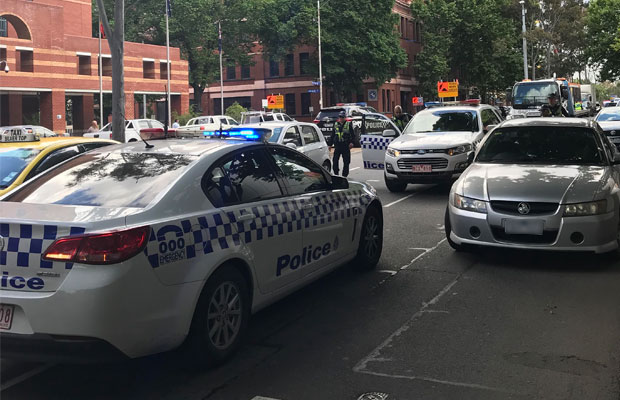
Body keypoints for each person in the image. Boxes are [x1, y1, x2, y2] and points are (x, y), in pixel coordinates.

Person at [331, 111, 354, 177]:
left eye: (342, 117)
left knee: (346, 162)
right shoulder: (335, 124)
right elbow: (332, 135)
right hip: (337, 146)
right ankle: (336, 174)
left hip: (345, 146)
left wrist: (351, 143)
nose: (341, 118)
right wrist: (330, 144)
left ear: (345, 118)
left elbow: (353, 135)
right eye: (340, 117)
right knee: (335, 161)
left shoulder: (348, 124)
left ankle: (344, 176)